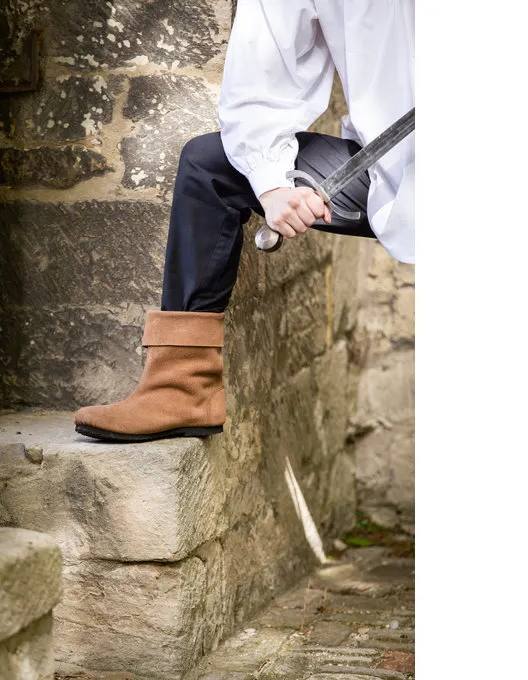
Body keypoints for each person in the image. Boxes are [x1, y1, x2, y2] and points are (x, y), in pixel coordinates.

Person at [74, 0, 414, 442]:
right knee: (208, 164)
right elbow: (263, 68)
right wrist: (273, 186)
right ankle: (182, 387)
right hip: (394, 171)